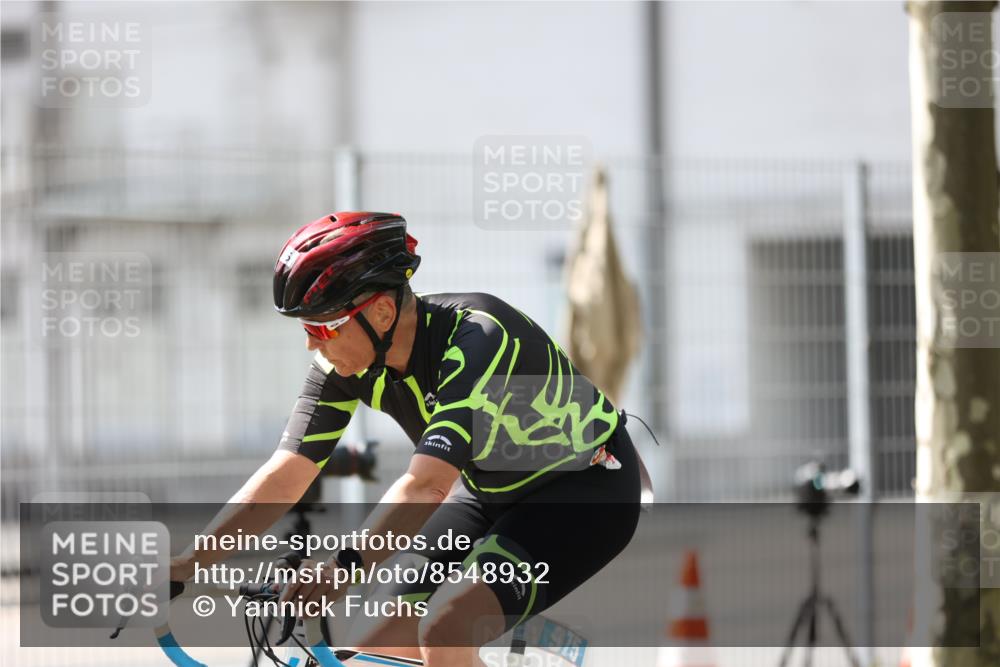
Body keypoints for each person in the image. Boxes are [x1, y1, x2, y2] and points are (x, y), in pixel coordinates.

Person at [170, 212, 641, 667]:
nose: (312, 343)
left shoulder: (477, 340)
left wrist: (344, 565)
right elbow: (288, 472)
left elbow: (426, 485)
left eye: (322, 326)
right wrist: (187, 564)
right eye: (305, 328)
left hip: (583, 490)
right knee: (370, 649)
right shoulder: (344, 365)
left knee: (446, 626)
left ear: (380, 311)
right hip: (489, 491)